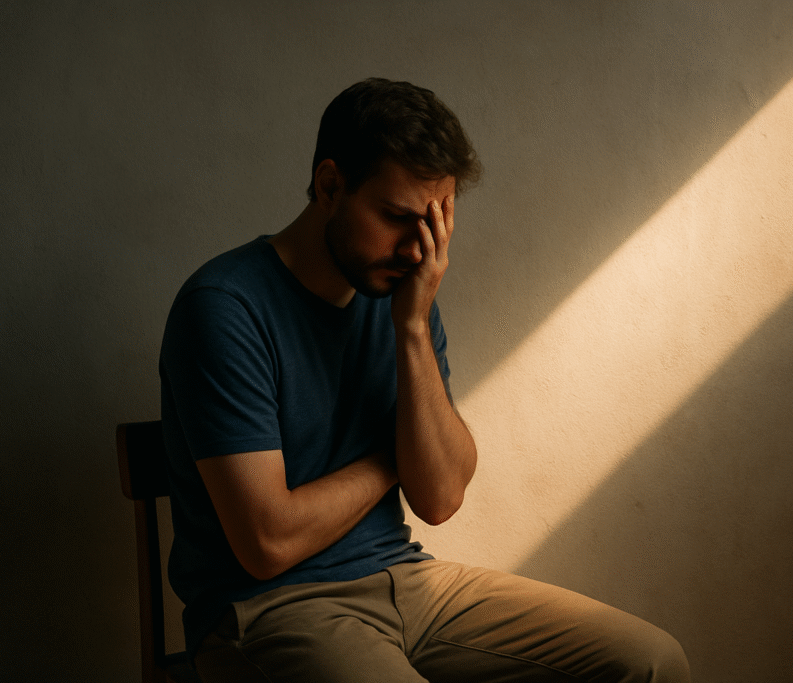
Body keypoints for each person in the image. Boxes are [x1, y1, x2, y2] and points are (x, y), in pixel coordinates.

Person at [160, 77, 690, 683]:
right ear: (330, 186)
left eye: (434, 224)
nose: (418, 251)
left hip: (409, 583)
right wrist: (393, 458)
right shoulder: (224, 308)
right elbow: (267, 544)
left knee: (652, 663)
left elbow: (439, 498)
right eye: (397, 218)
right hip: (269, 610)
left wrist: (411, 329)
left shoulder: (403, 296)